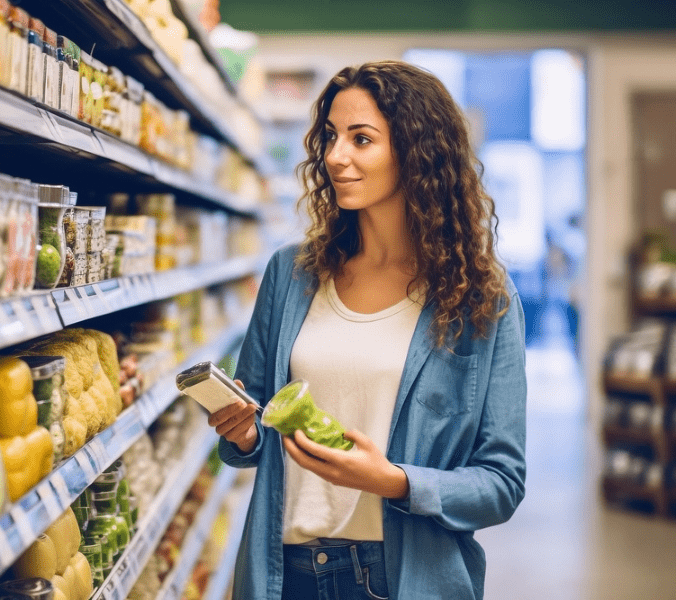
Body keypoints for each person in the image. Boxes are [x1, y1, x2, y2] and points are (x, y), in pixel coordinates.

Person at [208, 60, 527, 600]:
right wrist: (240, 431)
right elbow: (257, 426)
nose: (336, 156)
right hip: (286, 572)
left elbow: (501, 483)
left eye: (362, 139)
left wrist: (394, 481)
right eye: (331, 136)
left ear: (418, 151)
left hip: (404, 577)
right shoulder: (291, 275)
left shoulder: (480, 297)